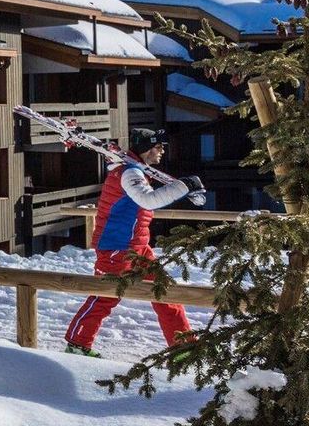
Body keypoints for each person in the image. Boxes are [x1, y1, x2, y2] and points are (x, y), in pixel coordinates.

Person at [65, 128, 206, 357]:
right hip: (116, 247)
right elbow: (147, 200)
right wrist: (184, 185)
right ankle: (77, 344)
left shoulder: (136, 171)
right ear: (146, 148)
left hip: (137, 246)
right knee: (105, 296)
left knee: (164, 290)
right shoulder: (130, 173)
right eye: (158, 146)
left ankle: (183, 345)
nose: (162, 151)